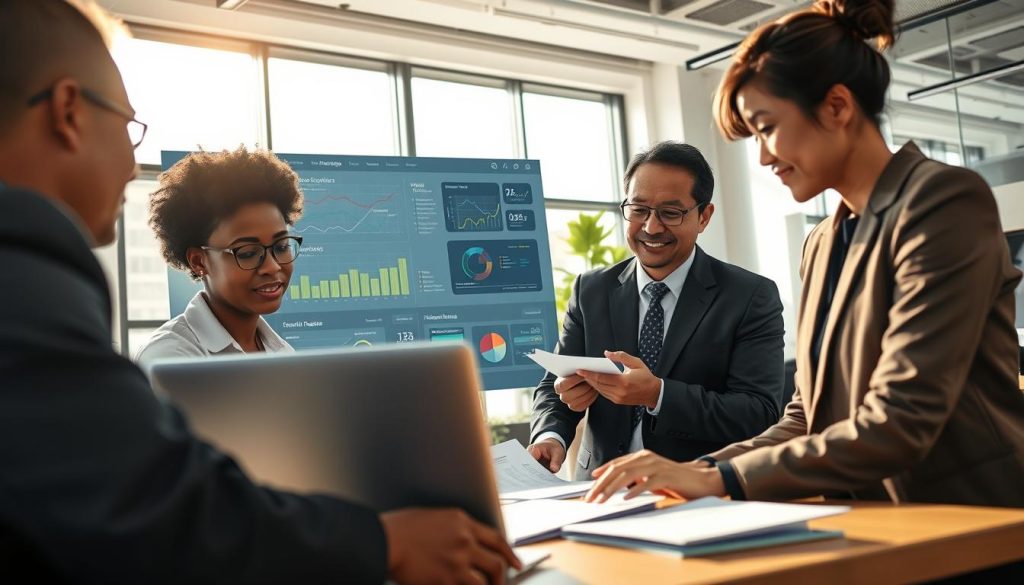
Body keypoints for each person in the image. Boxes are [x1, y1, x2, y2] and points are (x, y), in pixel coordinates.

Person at [0, 1, 519, 582]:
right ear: (68, 111)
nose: (129, 161)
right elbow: (160, 508)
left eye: (282, 245)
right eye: (126, 126)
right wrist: (379, 542)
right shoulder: (29, 276)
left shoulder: (283, 356)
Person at [586, 0, 1024, 508]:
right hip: (870, 522)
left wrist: (715, 481)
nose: (764, 156)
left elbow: (902, 419)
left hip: (972, 520)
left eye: (767, 127)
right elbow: (806, 417)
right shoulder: (821, 243)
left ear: (837, 106)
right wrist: (699, 472)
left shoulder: (943, 201)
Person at [528, 141, 786, 479]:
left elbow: (759, 412)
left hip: (696, 489)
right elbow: (555, 384)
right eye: (639, 210)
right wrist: (551, 436)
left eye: (670, 212)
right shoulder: (591, 290)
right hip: (599, 487)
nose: (651, 227)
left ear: (704, 216)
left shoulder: (750, 296)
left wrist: (657, 394)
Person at [136, 148, 301, 368]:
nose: (272, 266)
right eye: (248, 253)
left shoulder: (282, 353)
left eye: (281, 247)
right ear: (199, 261)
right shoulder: (170, 358)